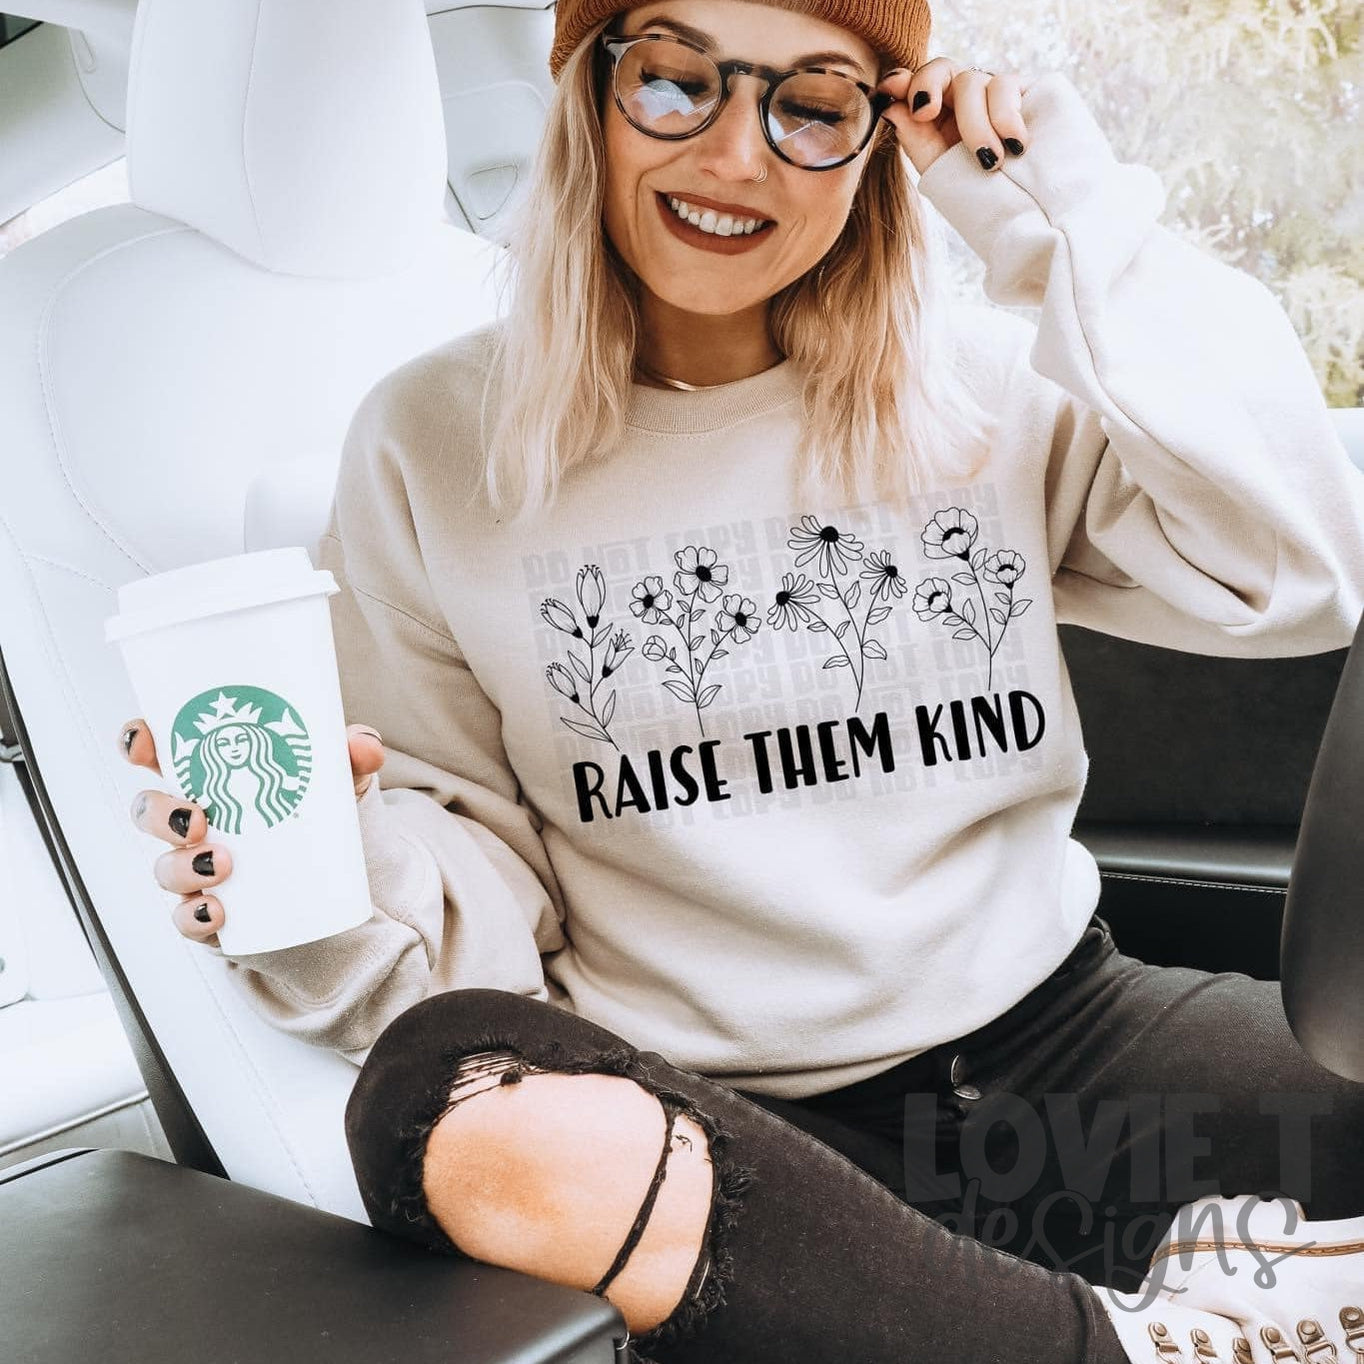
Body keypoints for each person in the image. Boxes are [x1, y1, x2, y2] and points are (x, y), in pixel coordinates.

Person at [119, 0, 1364, 1358]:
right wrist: (319, 857)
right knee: (438, 1085)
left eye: (812, 105)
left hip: (1070, 1056)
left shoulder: (984, 389)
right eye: (673, 81)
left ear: (875, 139)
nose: (734, 155)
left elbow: (1296, 568)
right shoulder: (428, 443)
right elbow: (467, 868)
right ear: (589, 104)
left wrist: (1051, 217)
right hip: (736, 1133)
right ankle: (1142, 1339)